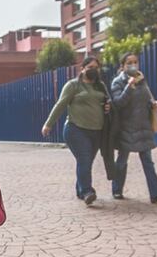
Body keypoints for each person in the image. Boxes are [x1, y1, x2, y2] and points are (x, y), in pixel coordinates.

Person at [41, 56, 109, 205]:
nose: (93, 70)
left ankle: (80, 189)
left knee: (86, 162)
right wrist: (48, 124)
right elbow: (61, 104)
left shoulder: (100, 86)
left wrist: (107, 106)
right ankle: (87, 191)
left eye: (96, 68)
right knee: (84, 159)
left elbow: (106, 102)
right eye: (90, 67)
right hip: (76, 129)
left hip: (96, 130)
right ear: (83, 69)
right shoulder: (73, 85)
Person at [109, 53, 157, 203]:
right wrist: (129, 87)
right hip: (126, 128)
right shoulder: (118, 82)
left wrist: (154, 104)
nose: (133, 65)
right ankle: (117, 190)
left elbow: (147, 98)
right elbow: (118, 103)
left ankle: (156, 192)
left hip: (143, 127)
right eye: (129, 62)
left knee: (148, 161)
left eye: (135, 62)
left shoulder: (141, 79)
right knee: (122, 161)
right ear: (122, 66)